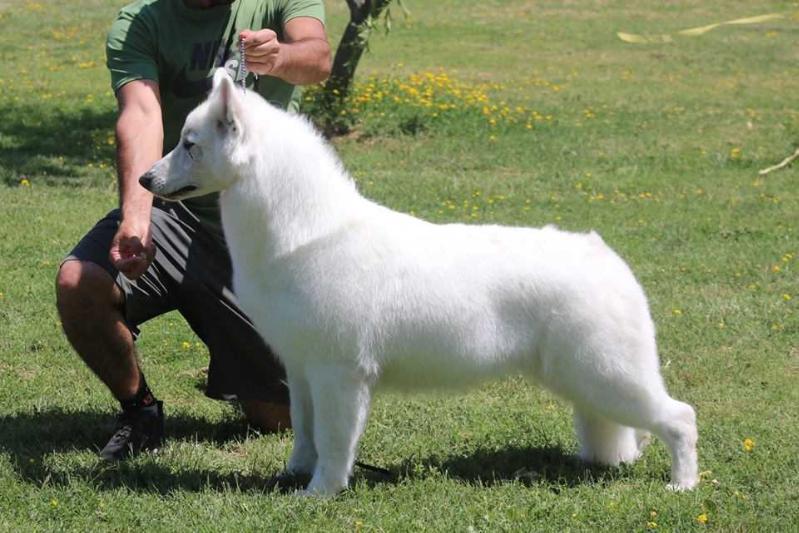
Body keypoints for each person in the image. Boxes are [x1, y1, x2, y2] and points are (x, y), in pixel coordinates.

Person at [55, 0, 331, 460]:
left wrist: (279, 56)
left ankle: (238, 357)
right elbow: (141, 116)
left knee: (275, 417)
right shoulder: (142, 21)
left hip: (258, 240)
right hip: (177, 216)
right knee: (79, 281)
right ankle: (139, 409)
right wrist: (138, 218)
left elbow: (317, 58)